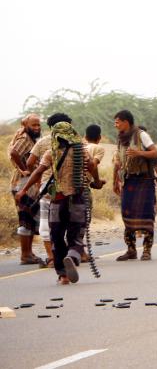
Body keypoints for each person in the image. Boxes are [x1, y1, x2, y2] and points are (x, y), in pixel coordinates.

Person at [16, 121, 102, 284]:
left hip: (57, 201)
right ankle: (72, 257)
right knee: (75, 236)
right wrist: (97, 181)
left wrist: (23, 190)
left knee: (56, 236)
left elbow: (37, 172)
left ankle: (62, 275)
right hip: (77, 199)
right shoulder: (81, 151)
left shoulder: (51, 153)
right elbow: (91, 165)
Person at [26, 112, 75, 268]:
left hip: (49, 188)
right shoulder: (76, 144)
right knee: (69, 223)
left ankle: (52, 257)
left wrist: (38, 177)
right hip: (72, 189)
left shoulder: (42, 143)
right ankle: (71, 254)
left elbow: (30, 162)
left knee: (46, 223)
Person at [112, 110, 157, 261]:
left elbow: (155, 154)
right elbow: (118, 161)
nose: (116, 124)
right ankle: (131, 249)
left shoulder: (141, 135)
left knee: (147, 215)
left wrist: (139, 153)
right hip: (128, 181)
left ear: (126, 122)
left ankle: (147, 250)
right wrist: (115, 180)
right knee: (127, 214)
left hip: (144, 180)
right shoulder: (120, 139)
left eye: (118, 121)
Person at [7, 113, 45, 265]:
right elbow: (14, 153)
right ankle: (25, 255)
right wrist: (25, 170)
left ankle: (29, 254)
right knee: (25, 219)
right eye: (33, 125)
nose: (36, 128)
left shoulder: (32, 139)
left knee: (29, 219)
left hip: (27, 184)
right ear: (26, 126)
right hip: (22, 183)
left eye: (38, 125)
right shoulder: (25, 139)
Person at [80, 124, 106, 262]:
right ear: (99, 137)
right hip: (82, 188)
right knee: (84, 220)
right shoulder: (98, 148)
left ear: (85, 136)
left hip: (69, 186)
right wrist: (97, 181)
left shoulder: (80, 146)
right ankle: (81, 253)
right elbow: (92, 165)